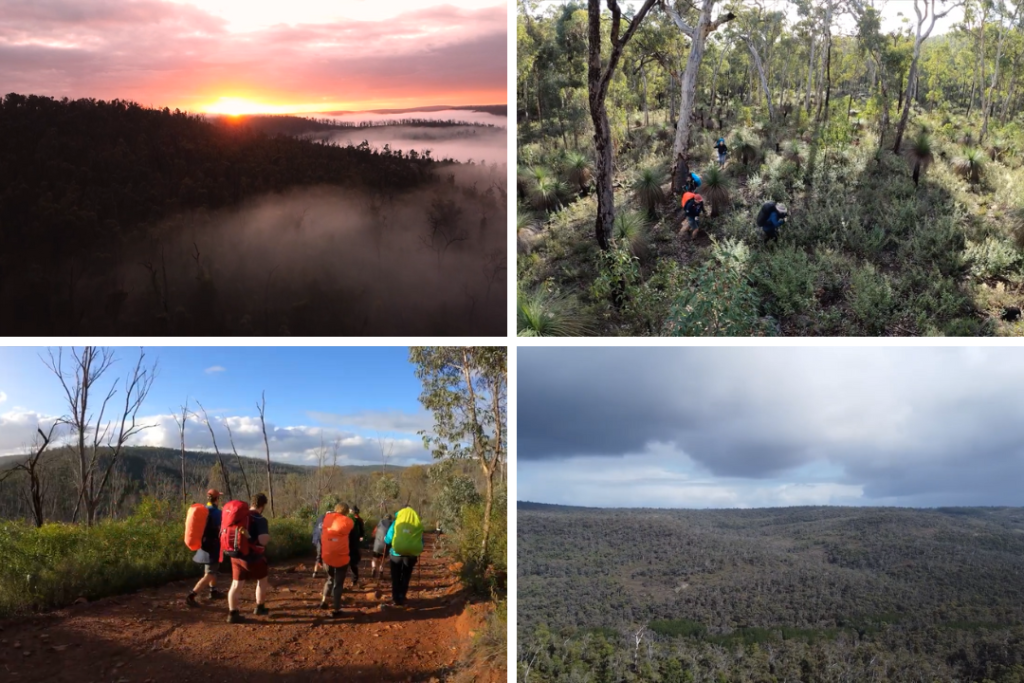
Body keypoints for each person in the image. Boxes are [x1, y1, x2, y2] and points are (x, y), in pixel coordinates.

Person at [225, 493, 271, 624]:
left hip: (236, 556)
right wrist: (267, 538)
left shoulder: (240, 517)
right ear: (262, 506)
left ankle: (233, 613)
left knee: (236, 585)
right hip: (253, 557)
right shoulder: (260, 519)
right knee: (262, 580)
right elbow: (263, 541)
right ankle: (259, 607)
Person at [186, 489, 224, 606]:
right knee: (210, 573)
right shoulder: (217, 513)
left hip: (203, 544)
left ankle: (213, 591)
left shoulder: (203, 510)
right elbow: (220, 529)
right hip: (212, 545)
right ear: (217, 499)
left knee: (211, 570)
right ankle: (191, 596)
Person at [383, 506, 424, 608]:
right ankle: (402, 595)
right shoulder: (417, 524)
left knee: (395, 576)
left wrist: (386, 540)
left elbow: (388, 539)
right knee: (406, 575)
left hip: (396, 553)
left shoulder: (396, 523)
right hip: (411, 555)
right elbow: (421, 541)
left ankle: (396, 598)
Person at [319, 503, 355, 617]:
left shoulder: (326, 519)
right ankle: (336, 609)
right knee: (338, 584)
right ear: (345, 511)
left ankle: (323, 601)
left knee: (330, 579)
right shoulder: (348, 521)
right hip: (341, 557)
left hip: (327, 555)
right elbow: (351, 527)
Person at [348, 505, 365, 585]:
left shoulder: (347, 518)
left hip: (346, 542)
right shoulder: (359, 520)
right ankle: (354, 579)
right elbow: (362, 532)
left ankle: (338, 581)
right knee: (353, 562)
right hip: (355, 543)